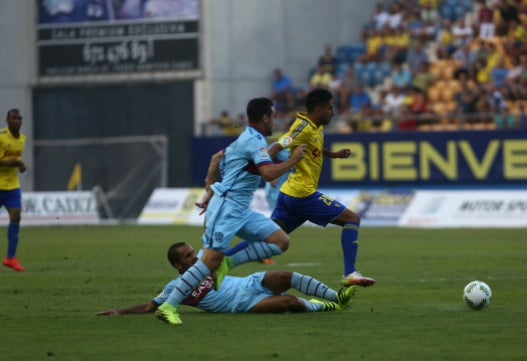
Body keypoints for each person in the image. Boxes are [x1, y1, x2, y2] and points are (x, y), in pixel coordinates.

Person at [154, 97, 307, 325]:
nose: (274, 121)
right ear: (265, 118)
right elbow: (267, 174)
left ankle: (230, 263)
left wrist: (208, 193)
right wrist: (293, 160)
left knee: (280, 241)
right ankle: (168, 306)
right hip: (227, 208)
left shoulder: (249, 139)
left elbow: (217, 159)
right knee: (208, 262)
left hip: (240, 209)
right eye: (273, 117)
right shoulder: (253, 141)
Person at [270, 88, 374, 287]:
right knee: (352, 219)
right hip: (303, 195)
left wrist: (332, 155)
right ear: (318, 109)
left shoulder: (317, 126)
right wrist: (263, 166)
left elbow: (313, 148)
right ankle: (350, 273)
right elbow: (278, 145)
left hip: (290, 194)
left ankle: (221, 261)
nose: (333, 112)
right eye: (330, 108)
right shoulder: (303, 127)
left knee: (269, 239)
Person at [97, 242, 356, 316]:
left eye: (192, 253)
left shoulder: (206, 261)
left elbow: (228, 251)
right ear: (178, 265)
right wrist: (119, 312)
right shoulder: (175, 288)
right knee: (290, 304)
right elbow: (149, 307)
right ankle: (323, 306)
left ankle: (336, 298)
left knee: (285, 276)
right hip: (242, 306)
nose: (194, 258)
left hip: (249, 283)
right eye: (187, 257)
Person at [0, 109, 27, 272]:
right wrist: (15, 163)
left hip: (12, 187)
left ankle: (10, 258)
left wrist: (20, 166)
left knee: (16, 217)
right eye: (13, 118)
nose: (16, 121)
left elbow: (16, 162)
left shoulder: (23, 140)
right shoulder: (1, 137)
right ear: (7, 120)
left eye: (19, 118)